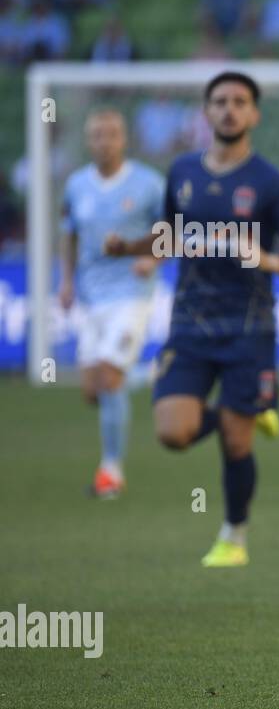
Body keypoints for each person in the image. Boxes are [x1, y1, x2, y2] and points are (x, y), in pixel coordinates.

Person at [106, 71, 279, 566]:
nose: (229, 109)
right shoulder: (182, 172)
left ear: (254, 114)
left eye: (239, 102)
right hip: (190, 323)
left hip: (249, 327)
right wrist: (130, 250)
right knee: (172, 433)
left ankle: (234, 536)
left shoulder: (268, 181)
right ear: (206, 112)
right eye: (220, 101)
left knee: (235, 438)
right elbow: (167, 236)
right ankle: (251, 407)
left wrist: (272, 261)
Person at [59, 109, 165, 498]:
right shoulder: (75, 186)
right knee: (94, 391)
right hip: (91, 294)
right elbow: (68, 235)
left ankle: (111, 472)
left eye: (112, 134)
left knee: (108, 377)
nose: (105, 141)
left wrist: (151, 258)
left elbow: (169, 232)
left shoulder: (149, 184)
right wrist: (66, 281)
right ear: (89, 141)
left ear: (124, 139)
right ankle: (156, 373)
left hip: (131, 294)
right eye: (98, 134)